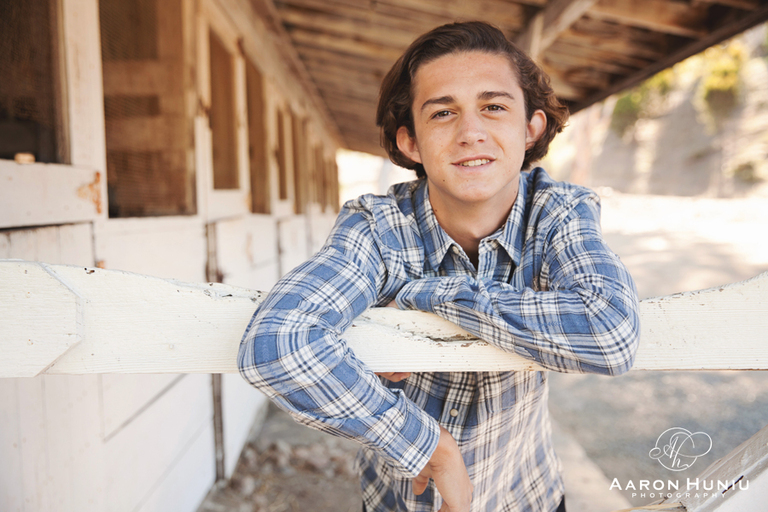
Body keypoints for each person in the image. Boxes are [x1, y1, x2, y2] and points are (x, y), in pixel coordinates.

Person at [238, 21, 640, 512]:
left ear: (530, 127)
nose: (471, 132)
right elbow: (277, 339)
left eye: (493, 107)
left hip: (525, 495)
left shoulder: (557, 212)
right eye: (443, 112)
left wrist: (431, 294)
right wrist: (424, 444)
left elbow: (611, 332)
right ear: (411, 143)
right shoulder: (378, 225)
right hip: (397, 500)